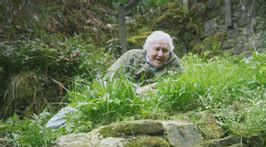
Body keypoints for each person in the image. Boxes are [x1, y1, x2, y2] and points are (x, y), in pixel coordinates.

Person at [46, 30, 182, 128]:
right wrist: (136, 90)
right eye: (156, 49)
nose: (160, 54)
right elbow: (110, 79)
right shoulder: (131, 56)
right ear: (147, 49)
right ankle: (47, 132)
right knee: (62, 119)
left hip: (143, 105)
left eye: (165, 51)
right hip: (114, 98)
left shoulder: (174, 65)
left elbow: (178, 86)